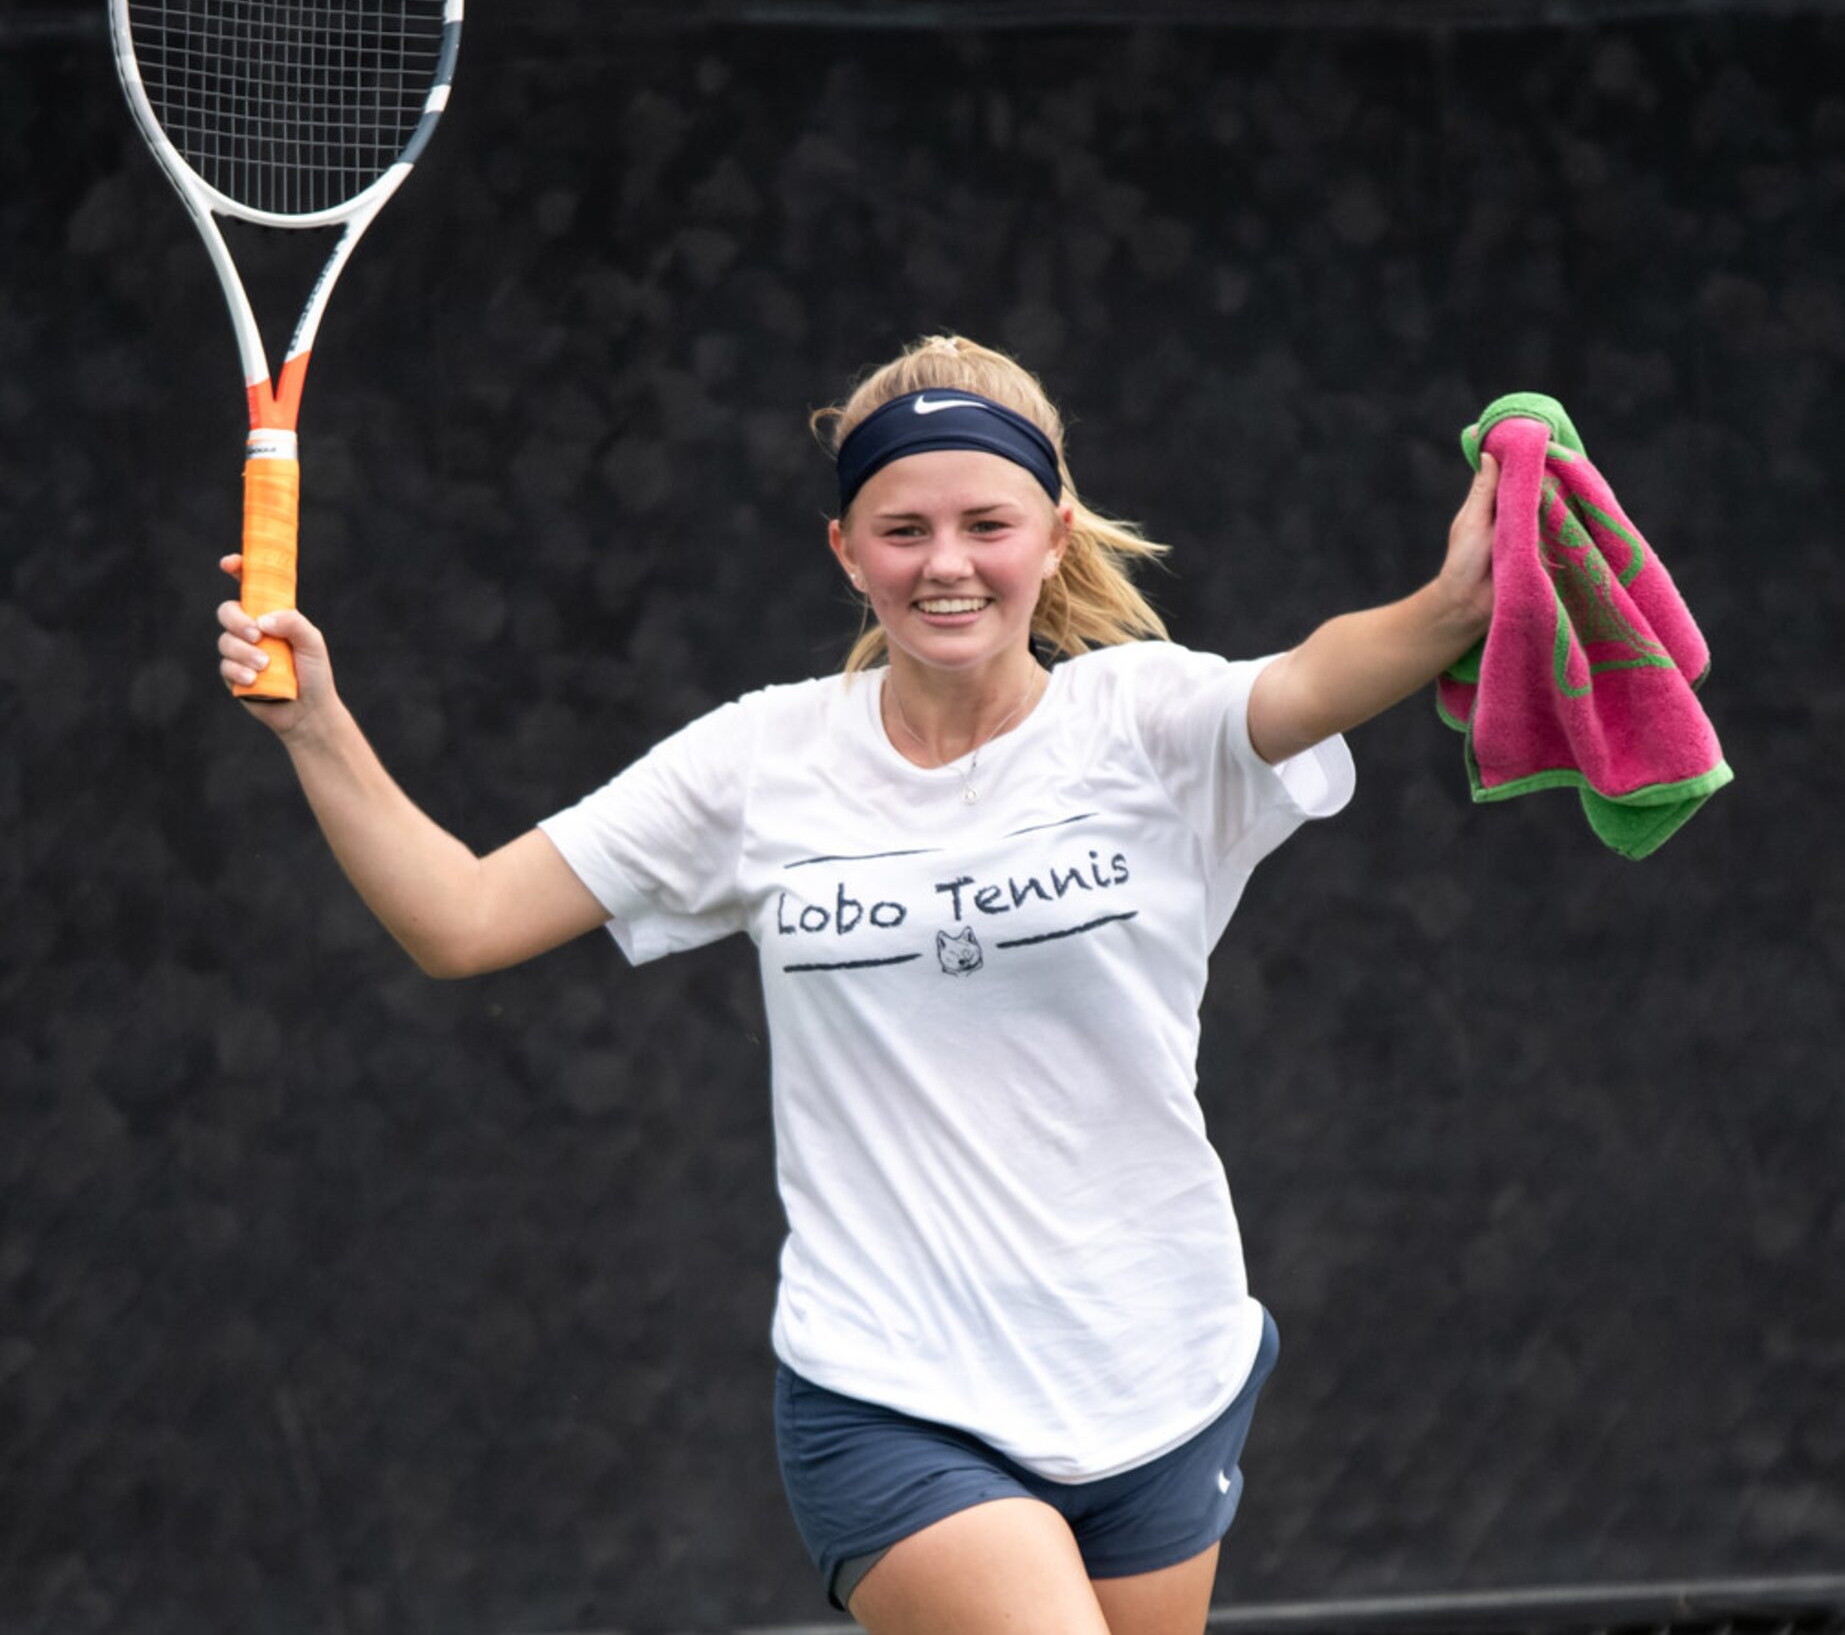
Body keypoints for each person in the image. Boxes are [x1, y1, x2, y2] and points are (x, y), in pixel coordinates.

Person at [215, 333, 1498, 1635]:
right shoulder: (758, 760)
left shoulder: (1146, 723)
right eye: (903, 528)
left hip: (1160, 1375)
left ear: (1052, 535)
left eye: (985, 522)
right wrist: (316, 723)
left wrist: (1454, 606)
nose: (946, 562)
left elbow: (1315, 674)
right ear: (845, 549)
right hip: (890, 1389)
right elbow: (464, 916)